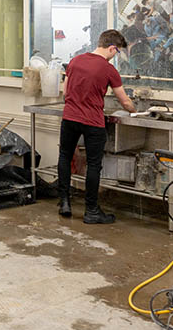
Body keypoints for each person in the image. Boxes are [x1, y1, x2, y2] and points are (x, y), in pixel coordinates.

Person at [57, 29, 137, 225]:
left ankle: (64, 203)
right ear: (112, 48)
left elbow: (66, 92)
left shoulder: (75, 61)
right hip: (92, 122)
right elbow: (125, 102)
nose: (115, 57)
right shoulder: (109, 70)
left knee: (65, 157)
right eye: (117, 52)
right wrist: (135, 110)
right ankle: (91, 211)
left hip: (69, 118)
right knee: (94, 165)